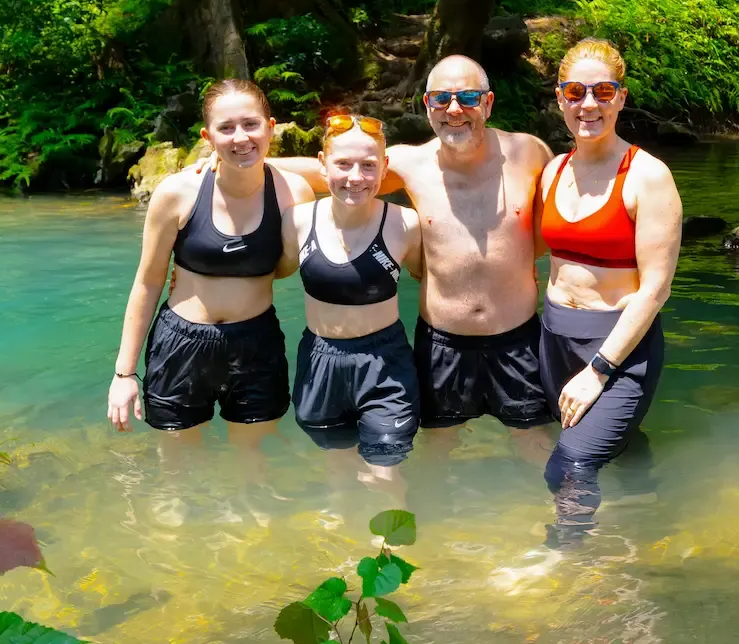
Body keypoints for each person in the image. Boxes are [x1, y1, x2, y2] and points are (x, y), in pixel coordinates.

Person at [248, 55, 555, 435]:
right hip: (442, 345)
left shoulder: (529, 153)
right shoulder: (413, 163)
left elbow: (557, 225)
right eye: (441, 99)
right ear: (427, 106)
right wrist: (246, 162)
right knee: (436, 459)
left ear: (488, 103)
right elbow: (335, 171)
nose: (454, 109)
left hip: (517, 341)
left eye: (468, 98)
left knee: (537, 448)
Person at [536, 38, 682, 544]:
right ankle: (649, 512)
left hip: (618, 346)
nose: (589, 104)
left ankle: (567, 558)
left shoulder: (648, 176)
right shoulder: (553, 171)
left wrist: (598, 371)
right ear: (560, 98)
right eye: (576, 92)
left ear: (621, 97)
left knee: (571, 463)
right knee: (603, 443)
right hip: (554, 338)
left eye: (603, 91)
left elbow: (655, 289)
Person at [107, 79, 314, 435]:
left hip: (256, 342)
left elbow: (284, 267)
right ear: (208, 137)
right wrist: (124, 373)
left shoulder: (293, 192)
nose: (240, 137)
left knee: (252, 461)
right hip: (181, 343)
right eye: (226, 128)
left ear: (270, 127)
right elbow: (148, 281)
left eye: (251, 124)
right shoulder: (176, 193)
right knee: (176, 466)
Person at [276, 111, 423, 469]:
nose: (355, 177)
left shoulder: (405, 224)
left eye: (368, 166)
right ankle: (345, 526)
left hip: (385, 363)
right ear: (323, 165)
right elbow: (269, 273)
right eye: (343, 164)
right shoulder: (297, 220)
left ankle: (388, 528)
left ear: (384, 167)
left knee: (385, 472)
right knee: (337, 472)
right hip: (320, 360)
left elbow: (430, 279)